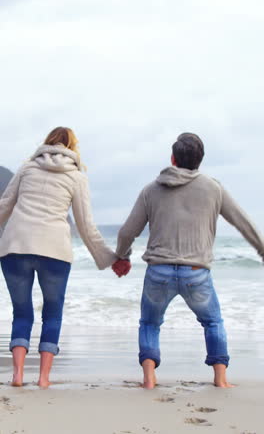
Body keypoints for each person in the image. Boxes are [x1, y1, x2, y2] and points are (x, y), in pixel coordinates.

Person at [112, 133, 264, 389]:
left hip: (158, 271)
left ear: (173, 158)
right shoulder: (213, 188)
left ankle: (149, 379)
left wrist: (123, 256)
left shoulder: (151, 190)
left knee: (150, 323)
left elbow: (127, 232)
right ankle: (220, 379)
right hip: (196, 272)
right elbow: (243, 222)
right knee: (212, 322)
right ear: (200, 160)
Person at [0, 127, 120, 388]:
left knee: (22, 313)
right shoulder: (76, 176)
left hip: (15, 246)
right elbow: (86, 226)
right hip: (54, 250)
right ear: (72, 147)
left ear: (47, 143)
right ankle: (43, 378)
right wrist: (108, 258)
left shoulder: (26, 168)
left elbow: (4, 207)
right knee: (52, 314)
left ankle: (18, 375)